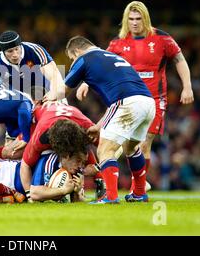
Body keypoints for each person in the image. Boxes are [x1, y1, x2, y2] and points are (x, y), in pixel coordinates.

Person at [77, 1, 194, 191]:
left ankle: (137, 186)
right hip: (127, 99)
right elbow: (100, 63)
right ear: (125, 20)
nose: (134, 23)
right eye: (131, 19)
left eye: (138, 19)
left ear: (145, 19)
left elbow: (179, 60)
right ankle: (136, 184)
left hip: (155, 99)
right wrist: (85, 83)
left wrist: (187, 86)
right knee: (125, 144)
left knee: (144, 141)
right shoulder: (118, 42)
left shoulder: (162, 38)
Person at [45, 36, 156, 204]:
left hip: (126, 103)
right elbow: (119, 99)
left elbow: (62, 90)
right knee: (131, 147)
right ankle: (139, 193)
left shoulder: (83, 59)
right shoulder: (113, 56)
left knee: (105, 150)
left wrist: (47, 98)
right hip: (147, 103)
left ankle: (110, 197)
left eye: (72, 58)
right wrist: (98, 126)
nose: (73, 61)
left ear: (76, 51)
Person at [17, 101, 104, 202]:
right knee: (14, 152)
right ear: (65, 154)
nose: (81, 166)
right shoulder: (41, 137)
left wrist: (97, 167)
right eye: (79, 162)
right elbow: (25, 165)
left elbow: (115, 148)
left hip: (69, 117)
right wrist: (29, 197)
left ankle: (99, 182)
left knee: (86, 149)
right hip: (36, 118)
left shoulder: (87, 128)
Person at [0, 145, 88, 203]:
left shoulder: (75, 172)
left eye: (83, 163)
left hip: (16, 193)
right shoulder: (50, 160)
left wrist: (76, 192)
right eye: (78, 161)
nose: (81, 166)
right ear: (66, 156)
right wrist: (64, 190)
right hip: (9, 173)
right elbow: (36, 194)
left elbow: (79, 204)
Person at [0, 30, 71, 100]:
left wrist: (54, 94)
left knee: (60, 96)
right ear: (3, 52)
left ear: (20, 45)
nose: (15, 54)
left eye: (17, 49)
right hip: (17, 93)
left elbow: (54, 75)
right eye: (10, 51)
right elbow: (1, 94)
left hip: (43, 86)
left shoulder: (34, 50)